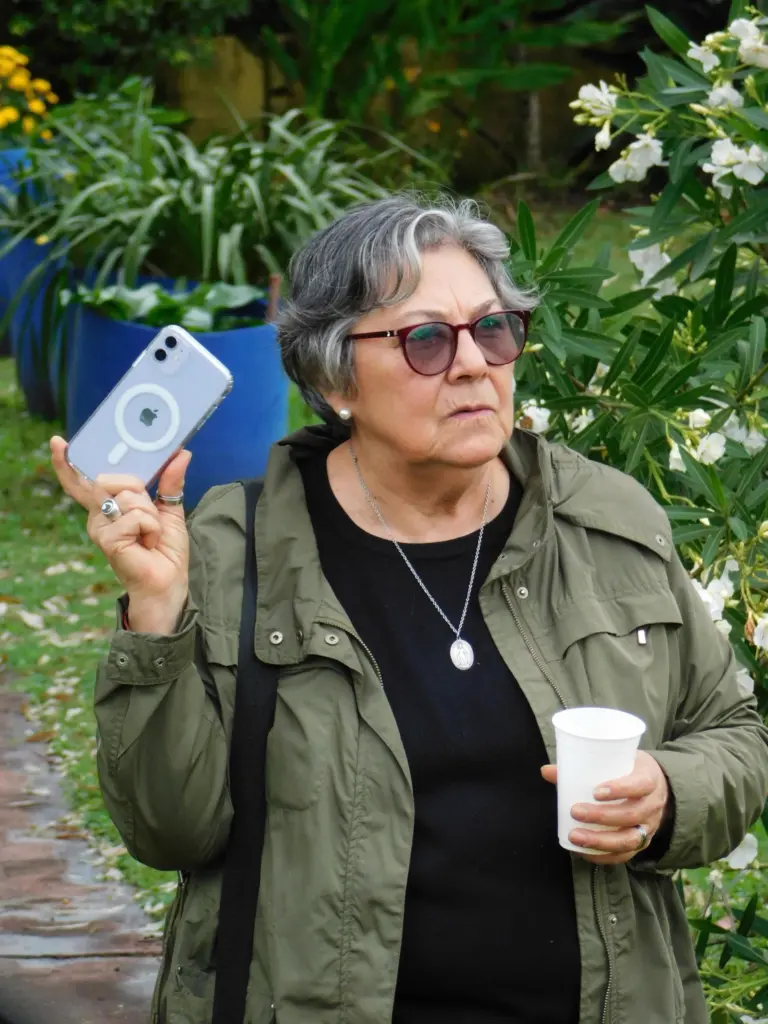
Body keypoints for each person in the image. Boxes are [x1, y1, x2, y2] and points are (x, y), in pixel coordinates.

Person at [50, 195, 768, 1024]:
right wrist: (156, 612)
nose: (472, 365)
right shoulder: (233, 550)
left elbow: (734, 734)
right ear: (333, 379)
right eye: (426, 339)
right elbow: (169, 831)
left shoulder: (605, 520)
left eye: (492, 329)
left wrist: (668, 794)